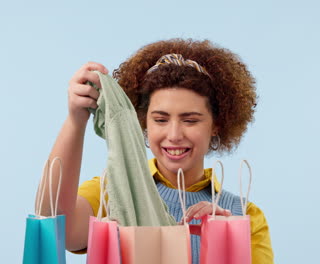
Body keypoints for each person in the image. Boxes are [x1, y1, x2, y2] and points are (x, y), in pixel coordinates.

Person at [37, 38, 274, 263]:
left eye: (190, 120)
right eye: (160, 120)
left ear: (216, 125)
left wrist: (230, 242)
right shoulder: (114, 192)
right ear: (144, 123)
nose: (174, 135)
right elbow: (56, 224)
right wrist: (75, 120)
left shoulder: (244, 217)